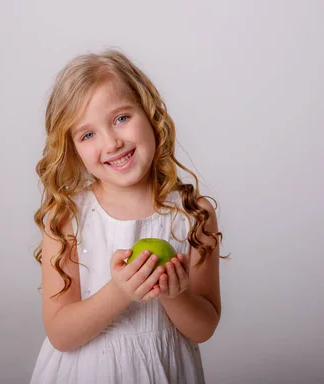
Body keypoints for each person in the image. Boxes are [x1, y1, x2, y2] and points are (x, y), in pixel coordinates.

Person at [30, 49, 225, 384]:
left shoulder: (193, 214)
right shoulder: (67, 220)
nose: (112, 142)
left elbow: (204, 328)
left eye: (121, 118)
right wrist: (120, 292)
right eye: (88, 134)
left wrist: (174, 294)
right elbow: (61, 334)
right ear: (73, 148)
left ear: (150, 113)